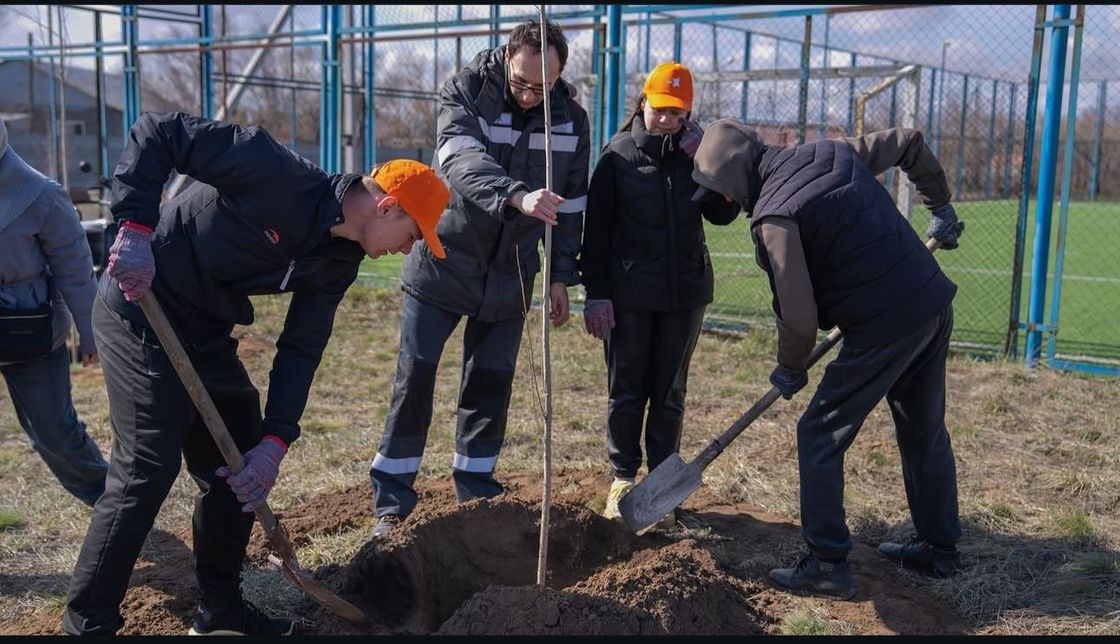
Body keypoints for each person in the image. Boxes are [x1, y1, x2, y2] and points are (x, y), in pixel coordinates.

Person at [60, 111, 451, 636]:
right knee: (147, 468)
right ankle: (88, 622)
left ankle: (220, 612)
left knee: (239, 463)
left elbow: (301, 348)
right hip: (140, 305)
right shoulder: (273, 171)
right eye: (413, 235)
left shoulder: (339, 261)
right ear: (386, 206)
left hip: (205, 330)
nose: (409, 249)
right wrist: (133, 227)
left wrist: (275, 441)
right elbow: (160, 131)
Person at [689, 119, 966, 600]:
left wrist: (790, 365)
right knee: (923, 429)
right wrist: (939, 204)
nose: (724, 203)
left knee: (818, 433)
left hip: (884, 326)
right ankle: (939, 550)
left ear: (733, 183)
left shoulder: (774, 217)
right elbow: (907, 141)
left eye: (720, 192)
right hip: (931, 303)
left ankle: (826, 563)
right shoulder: (831, 153)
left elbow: (798, 317)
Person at [367, 19, 590, 538]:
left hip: (511, 270)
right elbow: (460, 161)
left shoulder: (571, 121)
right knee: (416, 375)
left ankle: (476, 487)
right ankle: (392, 499)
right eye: (522, 83)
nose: (533, 96)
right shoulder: (465, 91)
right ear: (507, 58)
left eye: (545, 86)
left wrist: (560, 275)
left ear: (561, 75)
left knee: (491, 381)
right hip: (444, 259)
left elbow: (573, 204)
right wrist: (515, 194)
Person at [579, 62, 738, 527]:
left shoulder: (695, 154)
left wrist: (710, 166)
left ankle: (663, 486)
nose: (667, 120)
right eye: (660, 109)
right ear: (642, 103)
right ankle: (623, 479)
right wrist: (597, 294)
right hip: (629, 295)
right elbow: (597, 233)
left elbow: (724, 217)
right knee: (627, 389)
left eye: (678, 113)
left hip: (686, 292)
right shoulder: (617, 156)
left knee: (670, 393)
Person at [0, 118, 108, 507]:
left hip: (28, 332)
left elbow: (76, 271)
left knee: (53, 432)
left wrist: (92, 336)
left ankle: (110, 499)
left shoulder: (39, 194)